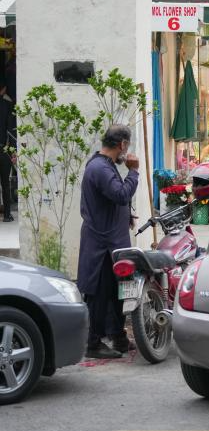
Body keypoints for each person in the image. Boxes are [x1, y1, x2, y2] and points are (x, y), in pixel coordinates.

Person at [78, 125, 139, 359]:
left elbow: (111, 200)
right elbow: (121, 194)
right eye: (127, 145)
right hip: (102, 245)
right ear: (122, 144)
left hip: (111, 242)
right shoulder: (100, 168)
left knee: (117, 292)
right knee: (99, 294)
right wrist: (134, 172)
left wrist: (125, 216)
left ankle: (118, 337)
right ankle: (93, 343)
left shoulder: (104, 165)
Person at [0, 77, 15, 222]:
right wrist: (13, 151)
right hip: (2, 150)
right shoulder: (7, 105)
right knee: (5, 184)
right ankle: (6, 215)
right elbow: (10, 130)